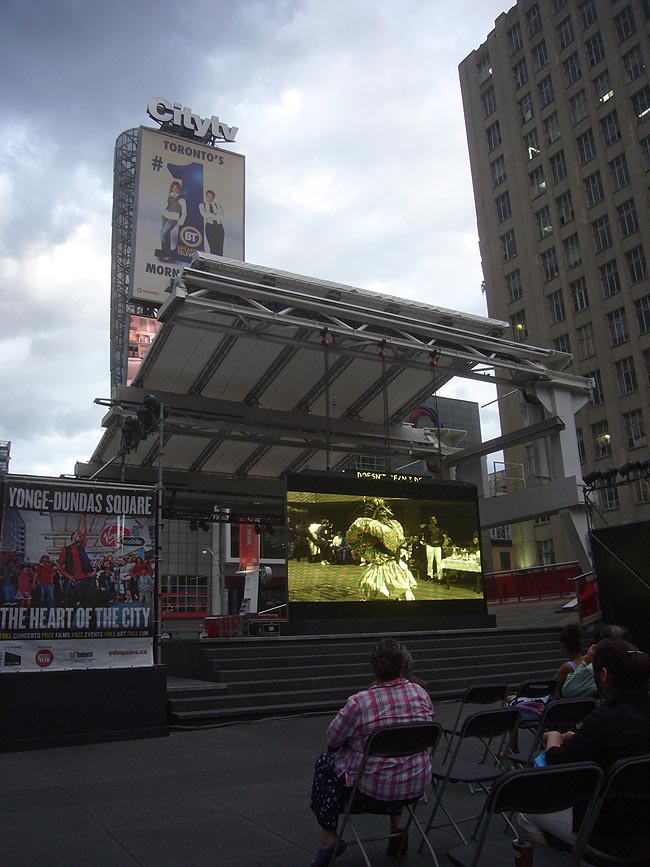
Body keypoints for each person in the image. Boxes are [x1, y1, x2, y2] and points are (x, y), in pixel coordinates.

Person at [309, 639, 435, 866]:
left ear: (374, 667)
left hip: (372, 787)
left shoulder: (360, 702)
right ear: (402, 666)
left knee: (326, 763)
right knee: (399, 757)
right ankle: (397, 823)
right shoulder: (420, 693)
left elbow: (333, 739)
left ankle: (329, 838)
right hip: (416, 783)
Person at [518, 638, 650, 848]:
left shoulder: (604, 719)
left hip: (610, 831)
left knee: (526, 813)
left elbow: (557, 761)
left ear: (604, 676)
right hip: (643, 826)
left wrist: (554, 738)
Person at [347, 499, 417, 600]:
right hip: (381, 565)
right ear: (375, 516)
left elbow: (396, 546)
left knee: (399, 590)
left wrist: (396, 558)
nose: (385, 518)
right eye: (382, 516)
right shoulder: (373, 529)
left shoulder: (393, 526)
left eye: (386, 515)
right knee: (379, 590)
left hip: (395, 564)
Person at [58, 525, 95, 607]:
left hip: (86, 579)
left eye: (80, 534)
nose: (80, 535)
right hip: (73, 580)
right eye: (78, 534)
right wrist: (69, 576)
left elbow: (84, 531)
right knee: (70, 605)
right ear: (73, 537)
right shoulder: (66, 549)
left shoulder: (82, 546)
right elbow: (59, 566)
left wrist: (84, 516)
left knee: (90, 605)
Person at [159, 181, 186, 261]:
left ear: (179, 188)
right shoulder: (170, 195)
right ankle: (166, 255)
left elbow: (184, 212)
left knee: (162, 234)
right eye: (173, 187)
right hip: (165, 216)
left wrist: (181, 221)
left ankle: (166, 254)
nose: (175, 189)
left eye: (176, 187)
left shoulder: (181, 199)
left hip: (173, 218)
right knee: (166, 235)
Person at [198, 190, 225, 255]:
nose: (210, 198)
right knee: (212, 245)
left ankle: (220, 262)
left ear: (213, 198)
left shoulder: (218, 206)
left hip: (219, 226)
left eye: (211, 197)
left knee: (220, 246)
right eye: (208, 196)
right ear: (206, 196)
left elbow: (221, 216)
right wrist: (215, 215)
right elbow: (204, 214)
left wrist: (210, 215)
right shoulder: (202, 205)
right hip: (210, 226)